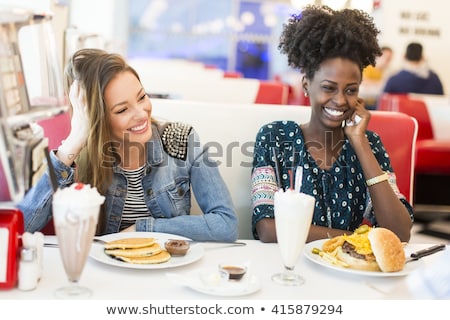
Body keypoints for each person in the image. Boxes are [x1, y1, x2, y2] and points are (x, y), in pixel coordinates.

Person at [18, 48, 238, 242]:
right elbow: (22, 227)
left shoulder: (182, 139)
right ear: (99, 118)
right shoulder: (79, 155)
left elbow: (226, 224)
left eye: (142, 97)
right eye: (122, 110)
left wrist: (143, 229)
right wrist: (74, 142)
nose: (142, 114)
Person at [251, 5, 414, 243]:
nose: (340, 100)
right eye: (328, 87)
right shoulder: (275, 137)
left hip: (347, 275)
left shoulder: (370, 144)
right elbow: (267, 228)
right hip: (287, 272)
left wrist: (360, 142)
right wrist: (357, 238)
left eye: (350, 90)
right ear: (307, 84)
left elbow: (399, 233)